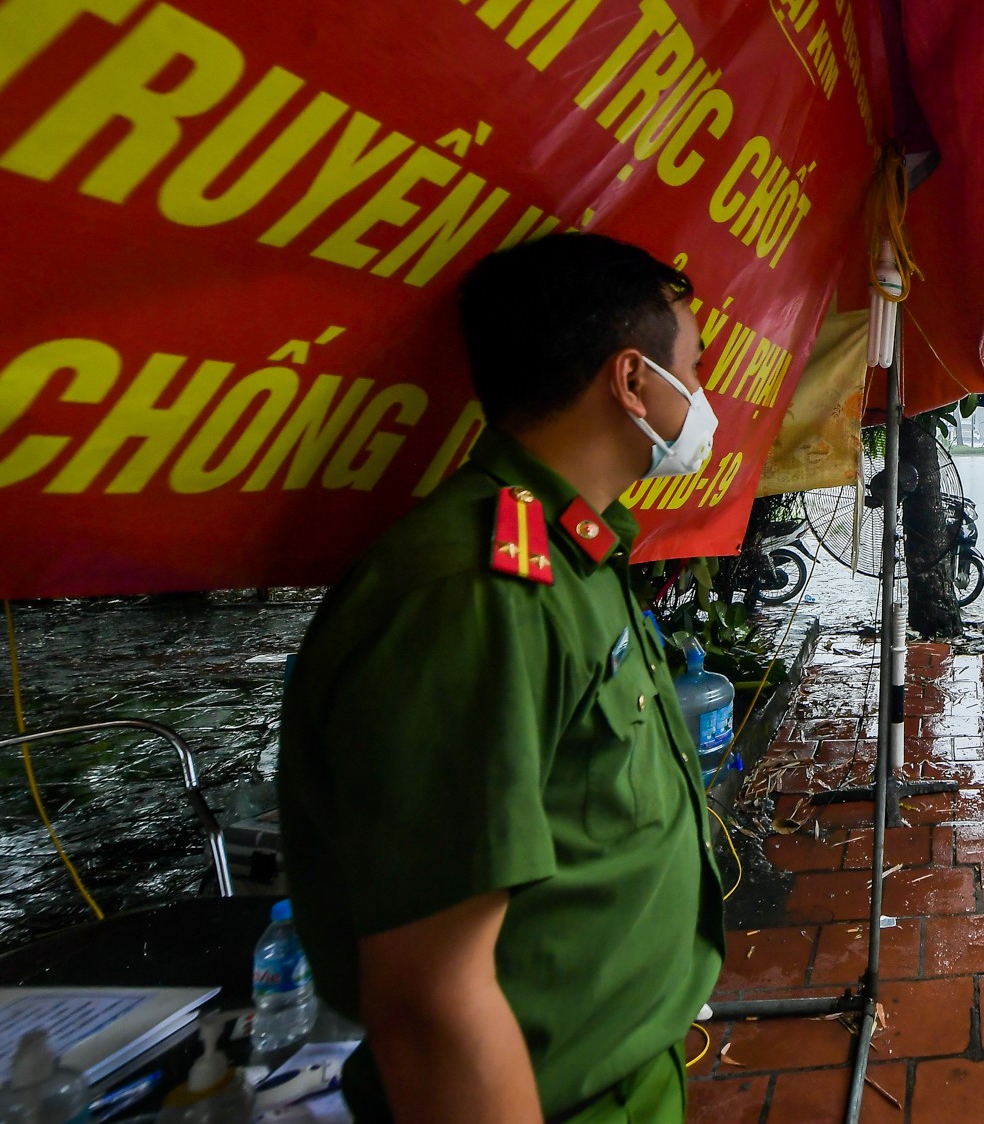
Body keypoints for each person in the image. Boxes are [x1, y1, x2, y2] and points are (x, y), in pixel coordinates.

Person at [278, 235, 725, 1124]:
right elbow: (432, 1002)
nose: (706, 402)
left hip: (628, 1080)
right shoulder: (474, 593)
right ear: (632, 382)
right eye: (695, 370)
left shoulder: (575, 554)